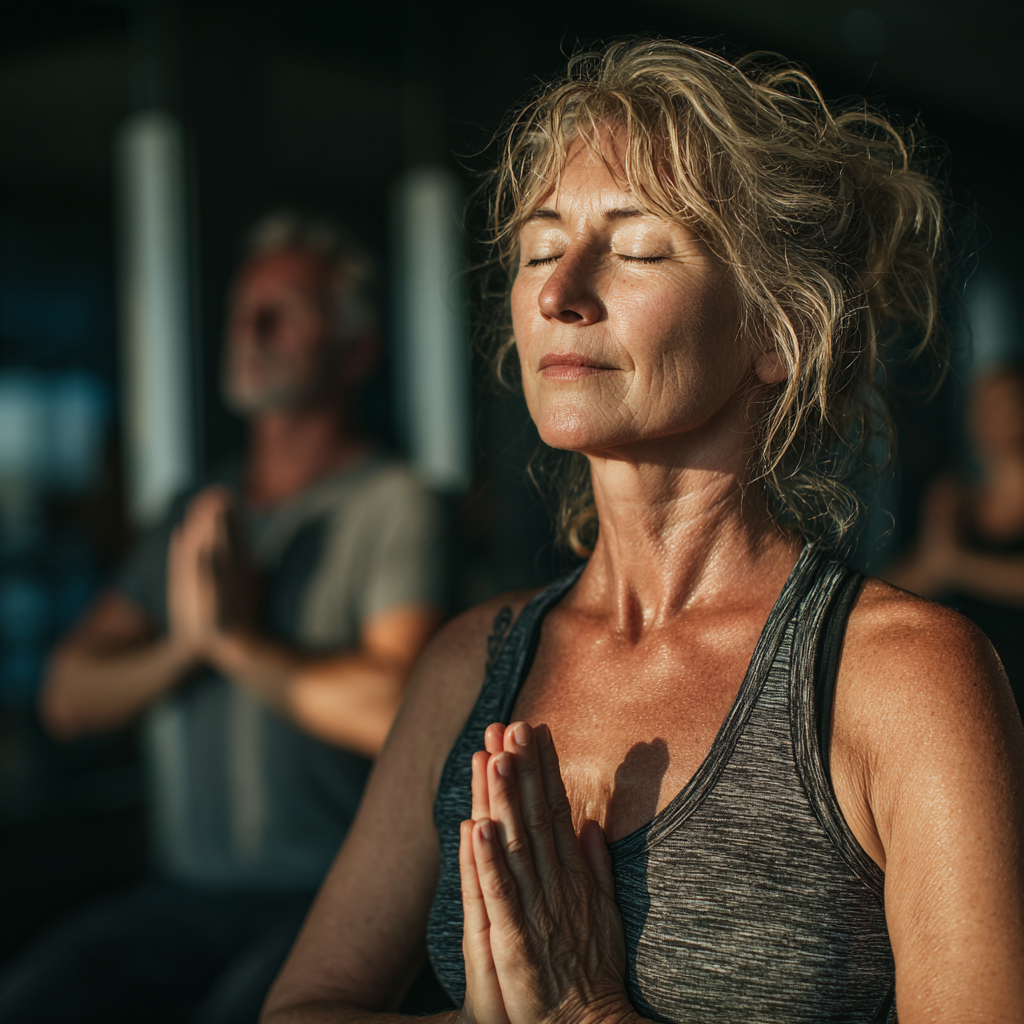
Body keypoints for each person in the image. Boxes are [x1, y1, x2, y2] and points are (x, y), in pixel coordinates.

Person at [263, 41, 1024, 1024]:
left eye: (632, 249)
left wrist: (586, 1010)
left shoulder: (903, 680)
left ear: (776, 333)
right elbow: (303, 1006)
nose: (556, 292)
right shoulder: (468, 664)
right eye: (541, 249)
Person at [0, 215, 446, 1024]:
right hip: (183, 895)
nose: (252, 326)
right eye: (245, 308)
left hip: (331, 894)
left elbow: (401, 712)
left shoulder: (393, 504)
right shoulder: (194, 511)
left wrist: (238, 643)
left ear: (355, 352)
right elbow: (68, 696)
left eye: (287, 310)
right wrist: (189, 645)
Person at [885, 365, 1024, 715]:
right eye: (981, 404)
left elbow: (945, 564)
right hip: (981, 685)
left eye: (1004, 401)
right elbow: (922, 573)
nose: (988, 414)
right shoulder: (953, 498)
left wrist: (956, 565)